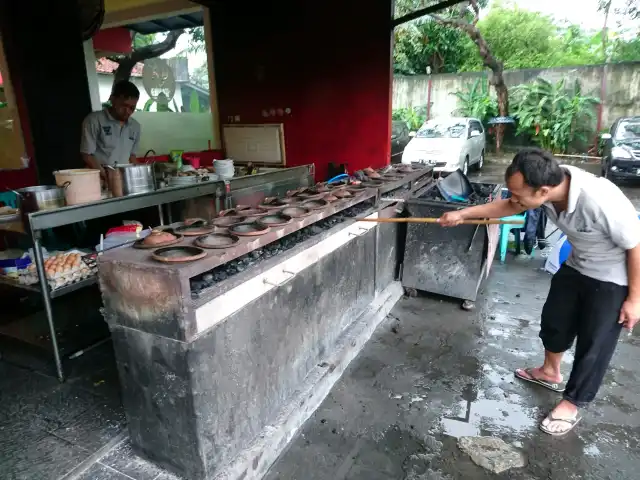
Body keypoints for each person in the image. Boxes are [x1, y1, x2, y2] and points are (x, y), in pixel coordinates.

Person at [439, 147, 640, 436]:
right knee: (555, 320)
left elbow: (636, 245)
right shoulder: (544, 189)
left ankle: (573, 403)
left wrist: (635, 299)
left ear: (543, 190)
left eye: (519, 194)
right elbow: (511, 206)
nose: (515, 198)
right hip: (577, 265)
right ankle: (550, 371)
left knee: (595, 342)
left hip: (614, 277)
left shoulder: (599, 199)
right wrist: (463, 214)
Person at [80, 80, 141, 178]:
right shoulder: (94, 120)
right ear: (112, 99)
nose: (127, 111)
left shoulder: (135, 126)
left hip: (124, 178)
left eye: (132, 108)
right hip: (98, 178)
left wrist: (142, 174)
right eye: (123, 106)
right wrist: (107, 177)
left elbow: (132, 156)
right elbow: (87, 155)